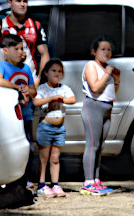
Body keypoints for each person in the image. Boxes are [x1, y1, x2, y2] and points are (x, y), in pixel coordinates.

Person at [0, 33, 37, 188]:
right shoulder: (1, 66)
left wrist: (28, 90)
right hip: (9, 117)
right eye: (16, 49)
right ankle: (8, 181)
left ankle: (25, 179)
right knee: (9, 149)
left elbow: (33, 91)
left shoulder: (26, 68)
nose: (21, 52)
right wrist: (17, 87)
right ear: (5, 50)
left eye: (22, 48)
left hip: (26, 115)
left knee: (27, 148)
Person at [80, 36, 120, 196]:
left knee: (100, 146)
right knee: (92, 145)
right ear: (94, 51)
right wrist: (108, 73)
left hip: (107, 108)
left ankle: (96, 180)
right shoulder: (91, 65)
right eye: (102, 49)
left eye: (109, 50)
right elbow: (95, 88)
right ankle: (88, 182)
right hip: (93, 107)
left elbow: (112, 92)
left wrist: (117, 79)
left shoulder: (105, 68)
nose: (106, 52)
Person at [33, 59, 77, 197]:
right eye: (53, 70)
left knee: (55, 158)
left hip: (59, 129)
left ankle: (55, 184)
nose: (57, 74)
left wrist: (61, 99)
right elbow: (36, 102)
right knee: (43, 157)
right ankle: (41, 185)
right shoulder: (42, 89)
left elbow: (72, 99)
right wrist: (51, 98)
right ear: (46, 73)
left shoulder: (63, 89)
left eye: (59, 71)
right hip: (45, 127)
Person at [4, 0, 50, 76]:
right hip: (7, 79)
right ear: (9, 3)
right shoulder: (1, 26)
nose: (22, 4)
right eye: (18, 1)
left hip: (30, 79)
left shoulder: (35, 26)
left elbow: (44, 54)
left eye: (25, 1)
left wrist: (39, 78)